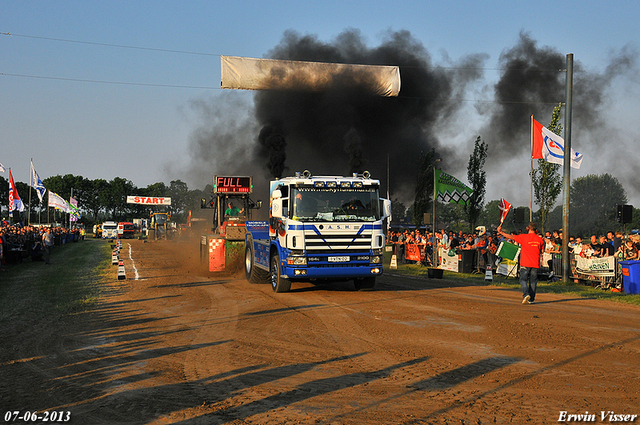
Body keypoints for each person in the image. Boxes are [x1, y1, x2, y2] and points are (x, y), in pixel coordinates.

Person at [497, 222, 544, 305]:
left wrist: (501, 232)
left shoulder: (523, 237)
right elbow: (542, 250)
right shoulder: (539, 239)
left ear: (527, 228)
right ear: (536, 230)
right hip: (535, 263)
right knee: (533, 282)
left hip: (525, 263)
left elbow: (511, 237)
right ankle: (531, 299)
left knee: (523, 280)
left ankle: (526, 294)